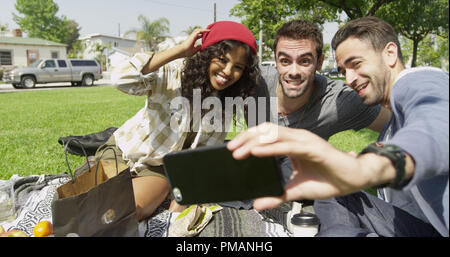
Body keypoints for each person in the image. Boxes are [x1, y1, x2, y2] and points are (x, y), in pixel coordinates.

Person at [227, 16, 448, 237]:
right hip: (407, 221)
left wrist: (367, 167)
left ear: (390, 53)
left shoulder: (420, 82)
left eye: (356, 64)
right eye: (343, 71)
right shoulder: (255, 82)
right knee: (327, 182)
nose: (350, 79)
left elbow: (435, 124)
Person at [96, 21, 260, 221]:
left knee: (124, 212)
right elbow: (120, 79)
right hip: (123, 151)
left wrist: (184, 197)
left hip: (157, 168)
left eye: (237, 67)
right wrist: (181, 50)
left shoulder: (227, 102)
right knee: (94, 204)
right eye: (221, 60)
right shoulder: (172, 73)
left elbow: (203, 157)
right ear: (206, 55)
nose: (227, 71)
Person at [255, 19, 391, 186]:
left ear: (319, 62)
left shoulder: (339, 100)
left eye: (304, 61)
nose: (294, 72)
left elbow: (397, 122)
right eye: (285, 61)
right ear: (275, 61)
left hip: (303, 184)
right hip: (254, 174)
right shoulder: (254, 83)